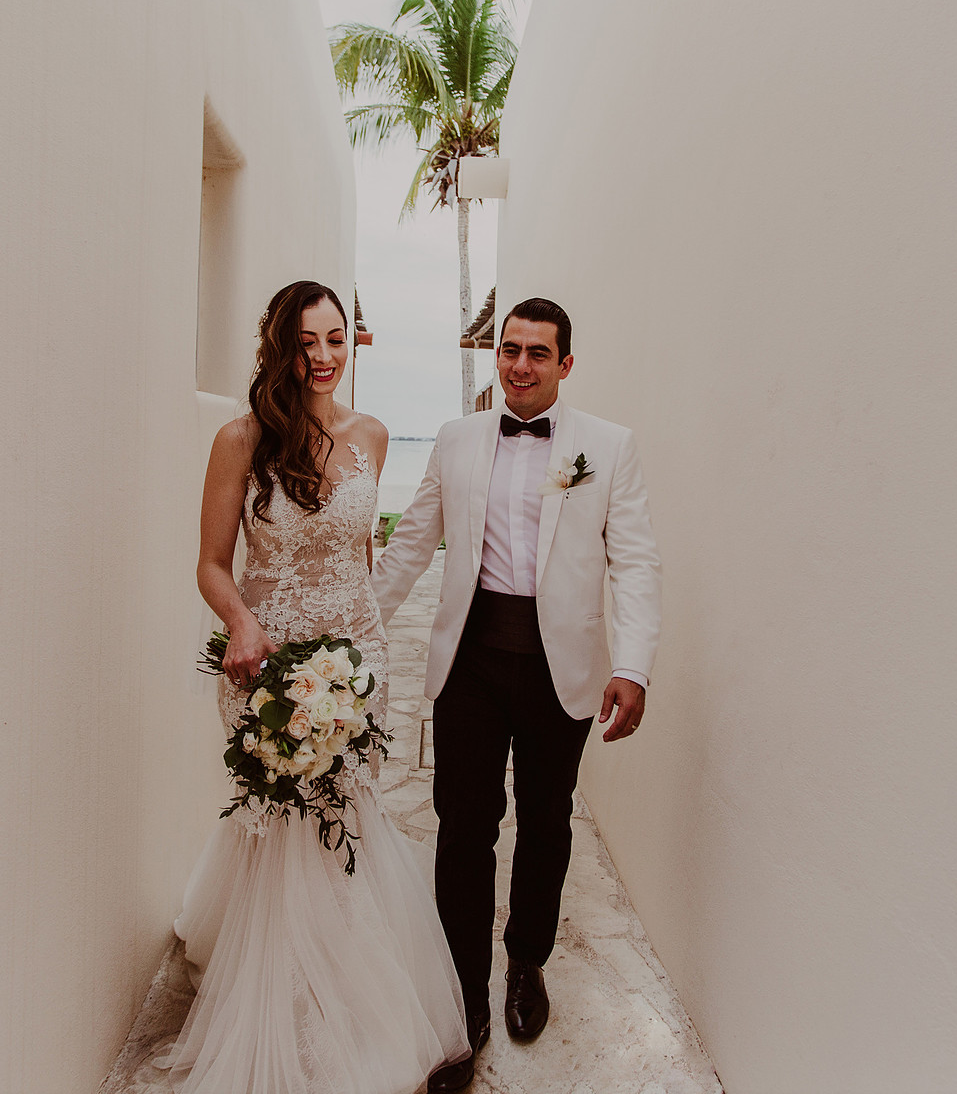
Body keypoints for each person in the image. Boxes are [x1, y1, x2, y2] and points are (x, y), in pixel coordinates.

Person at [154, 280, 469, 1094]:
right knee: (284, 821)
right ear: (278, 346)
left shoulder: (370, 437)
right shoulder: (239, 440)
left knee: (348, 812)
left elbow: (356, 556)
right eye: (307, 342)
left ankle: (348, 988)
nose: (323, 357)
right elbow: (211, 563)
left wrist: (364, 651)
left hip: (356, 655)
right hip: (269, 660)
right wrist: (244, 625)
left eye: (335, 339)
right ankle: (283, 998)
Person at [371, 297, 662, 1092]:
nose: (520, 365)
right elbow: (411, 543)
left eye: (538, 353)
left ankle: (526, 964)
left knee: (544, 824)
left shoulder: (608, 447)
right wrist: (357, 627)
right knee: (464, 828)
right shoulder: (460, 440)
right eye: (510, 350)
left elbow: (633, 561)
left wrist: (631, 665)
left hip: (556, 670)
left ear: (565, 365)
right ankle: (460, 994)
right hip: (468, 665)